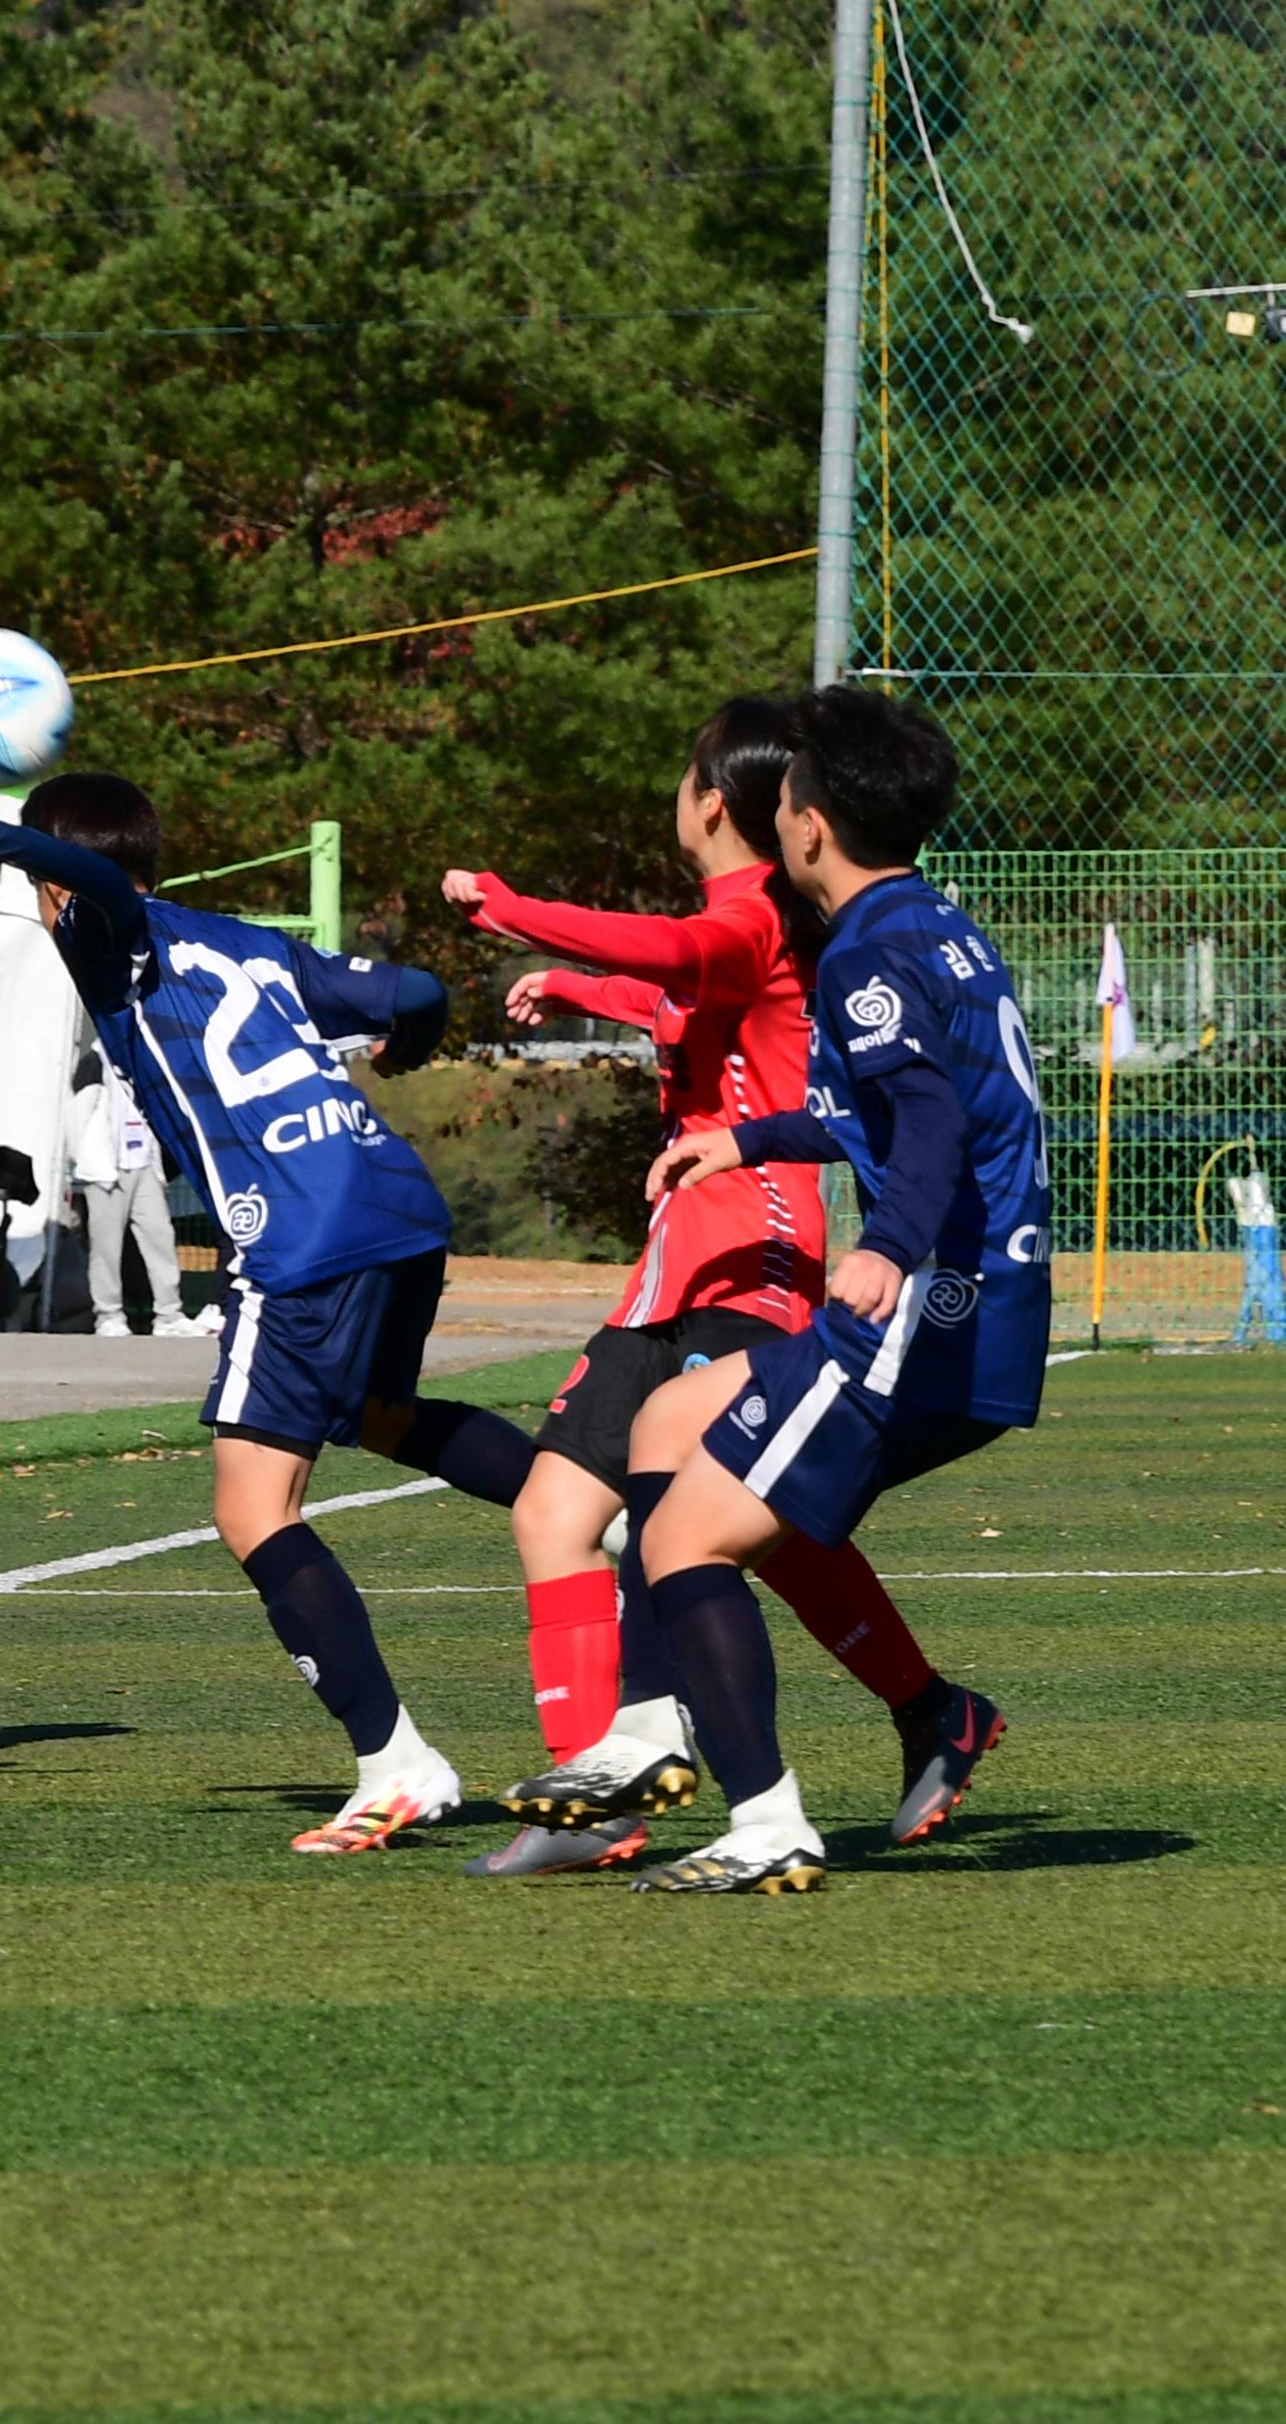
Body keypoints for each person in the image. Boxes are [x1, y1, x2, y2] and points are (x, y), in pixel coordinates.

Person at [0, 762, 538, 1854]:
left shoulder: (108, 933)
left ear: (59, 889)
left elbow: (98, 888)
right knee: (380, 1412)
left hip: (299, 1234)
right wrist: (406, 1048)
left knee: (251, 1505)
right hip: (394, 1203)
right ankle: (589, 1505)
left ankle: (396, 1760)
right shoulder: (251, 941)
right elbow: (419, 991)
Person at [436, 700, 984, 1876]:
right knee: (565, 1512)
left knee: (723, 1519)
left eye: (684, 775)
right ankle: (605, 1788)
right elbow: (686, 995)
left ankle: (725, 1762)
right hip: (680, 1252)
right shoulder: (748, 924)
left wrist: (517, 907)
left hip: (763, 1248)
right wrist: (583, 988)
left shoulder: (751, 920)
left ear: (714, 801)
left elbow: (690, 965)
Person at [65, 1046, 209, 1338]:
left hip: (144, 1162)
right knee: (106, 1245)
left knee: (160, 1236)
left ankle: (169, 1314)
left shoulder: (143, 1060)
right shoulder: (95, 1062)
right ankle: (108, 1315)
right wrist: (86, 1157)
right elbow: (79, 1113)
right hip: (107, 1168)